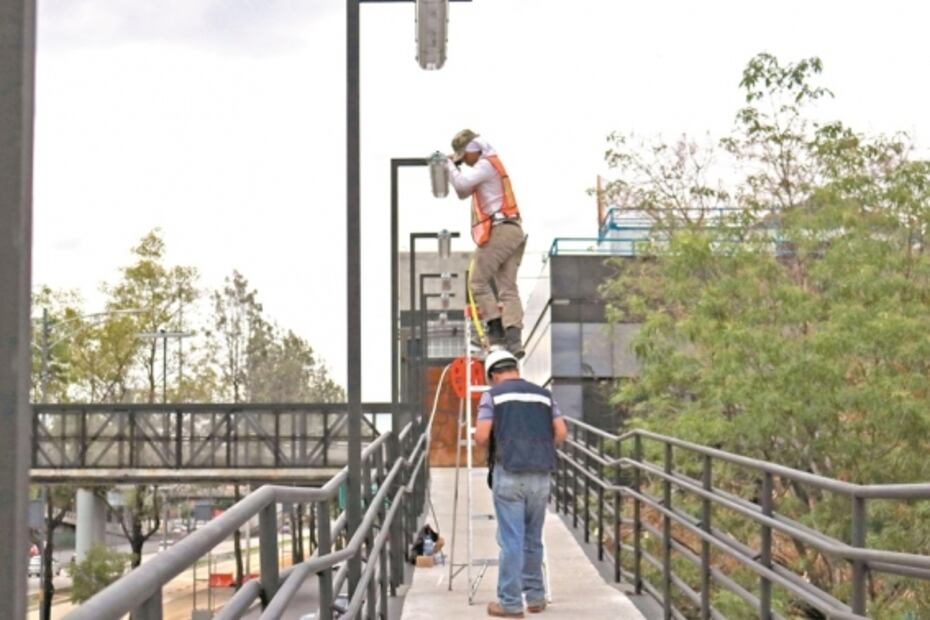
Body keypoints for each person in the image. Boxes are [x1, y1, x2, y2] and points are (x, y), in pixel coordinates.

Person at [475, 350, 568, 617]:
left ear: (493, 375)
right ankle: (536, 597)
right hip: (541, 475)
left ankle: (510, 603)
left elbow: (481, 437)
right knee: (533, 538)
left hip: (509, 474)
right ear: (516, 369)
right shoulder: (544, 395)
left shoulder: (492, 396)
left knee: (511, 540)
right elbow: (561, 433)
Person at [447, 129, 527, 358]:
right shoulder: (492, 163)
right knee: (508, 287)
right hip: (514, 230)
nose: (466, 162)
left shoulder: (484, 165)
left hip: (500, 230)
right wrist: (456, 167)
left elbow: (461, 186)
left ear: (473, 149)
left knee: (477, 281)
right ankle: (514, 340)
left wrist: (448, 165)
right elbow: (464, 192)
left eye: (465, 157)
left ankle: (495, 329)